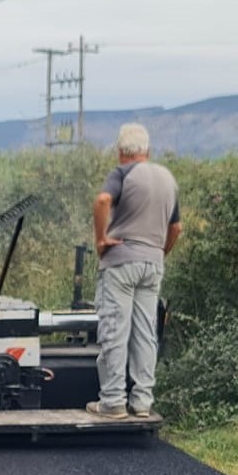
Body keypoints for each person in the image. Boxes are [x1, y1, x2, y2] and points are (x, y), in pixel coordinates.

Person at [87, 123, 181, 419]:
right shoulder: (167, 178)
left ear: (119, 152)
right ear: (147, 151)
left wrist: (101, 239)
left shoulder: (122, 173)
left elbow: (102, 200)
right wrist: (160, 252)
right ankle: (142, 402)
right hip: (153, 264)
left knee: (115, 329)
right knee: (145, 332)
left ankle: (113, 401)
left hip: (121, 262)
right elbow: (175, 227)